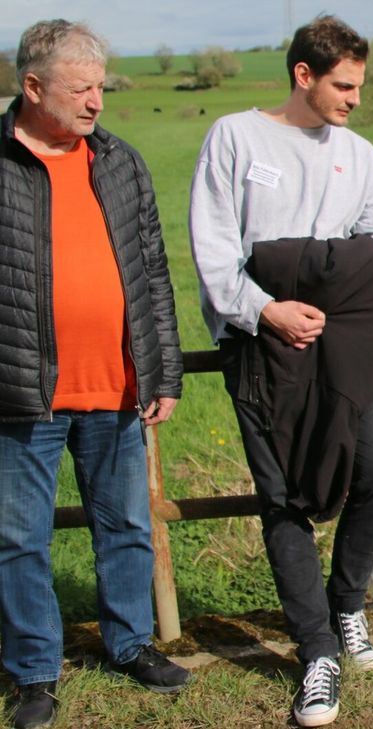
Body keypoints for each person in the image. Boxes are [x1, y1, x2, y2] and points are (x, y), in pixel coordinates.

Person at [188, 15, 373, 728]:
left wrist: (318, 280)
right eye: (344, 85)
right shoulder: (235, 137)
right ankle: (316, 652)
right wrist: (266, 305)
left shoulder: (360, 153)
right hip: (261, 345)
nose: (355, 99)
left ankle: (347, 605)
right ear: (303, 75)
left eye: (360, 86)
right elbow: (216, 249)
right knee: (282, 494)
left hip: (341, 343)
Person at [0, 19, 190, 729]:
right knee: (18, 537)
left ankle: (131, 643)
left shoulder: (118, 159)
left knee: (126, 525)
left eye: (100, 86)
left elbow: (152, 272)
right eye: (80, 88)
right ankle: (34, 672)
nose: (96, 102)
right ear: (32, 86)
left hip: (115, 387)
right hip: (22, 393)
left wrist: (164, 369)